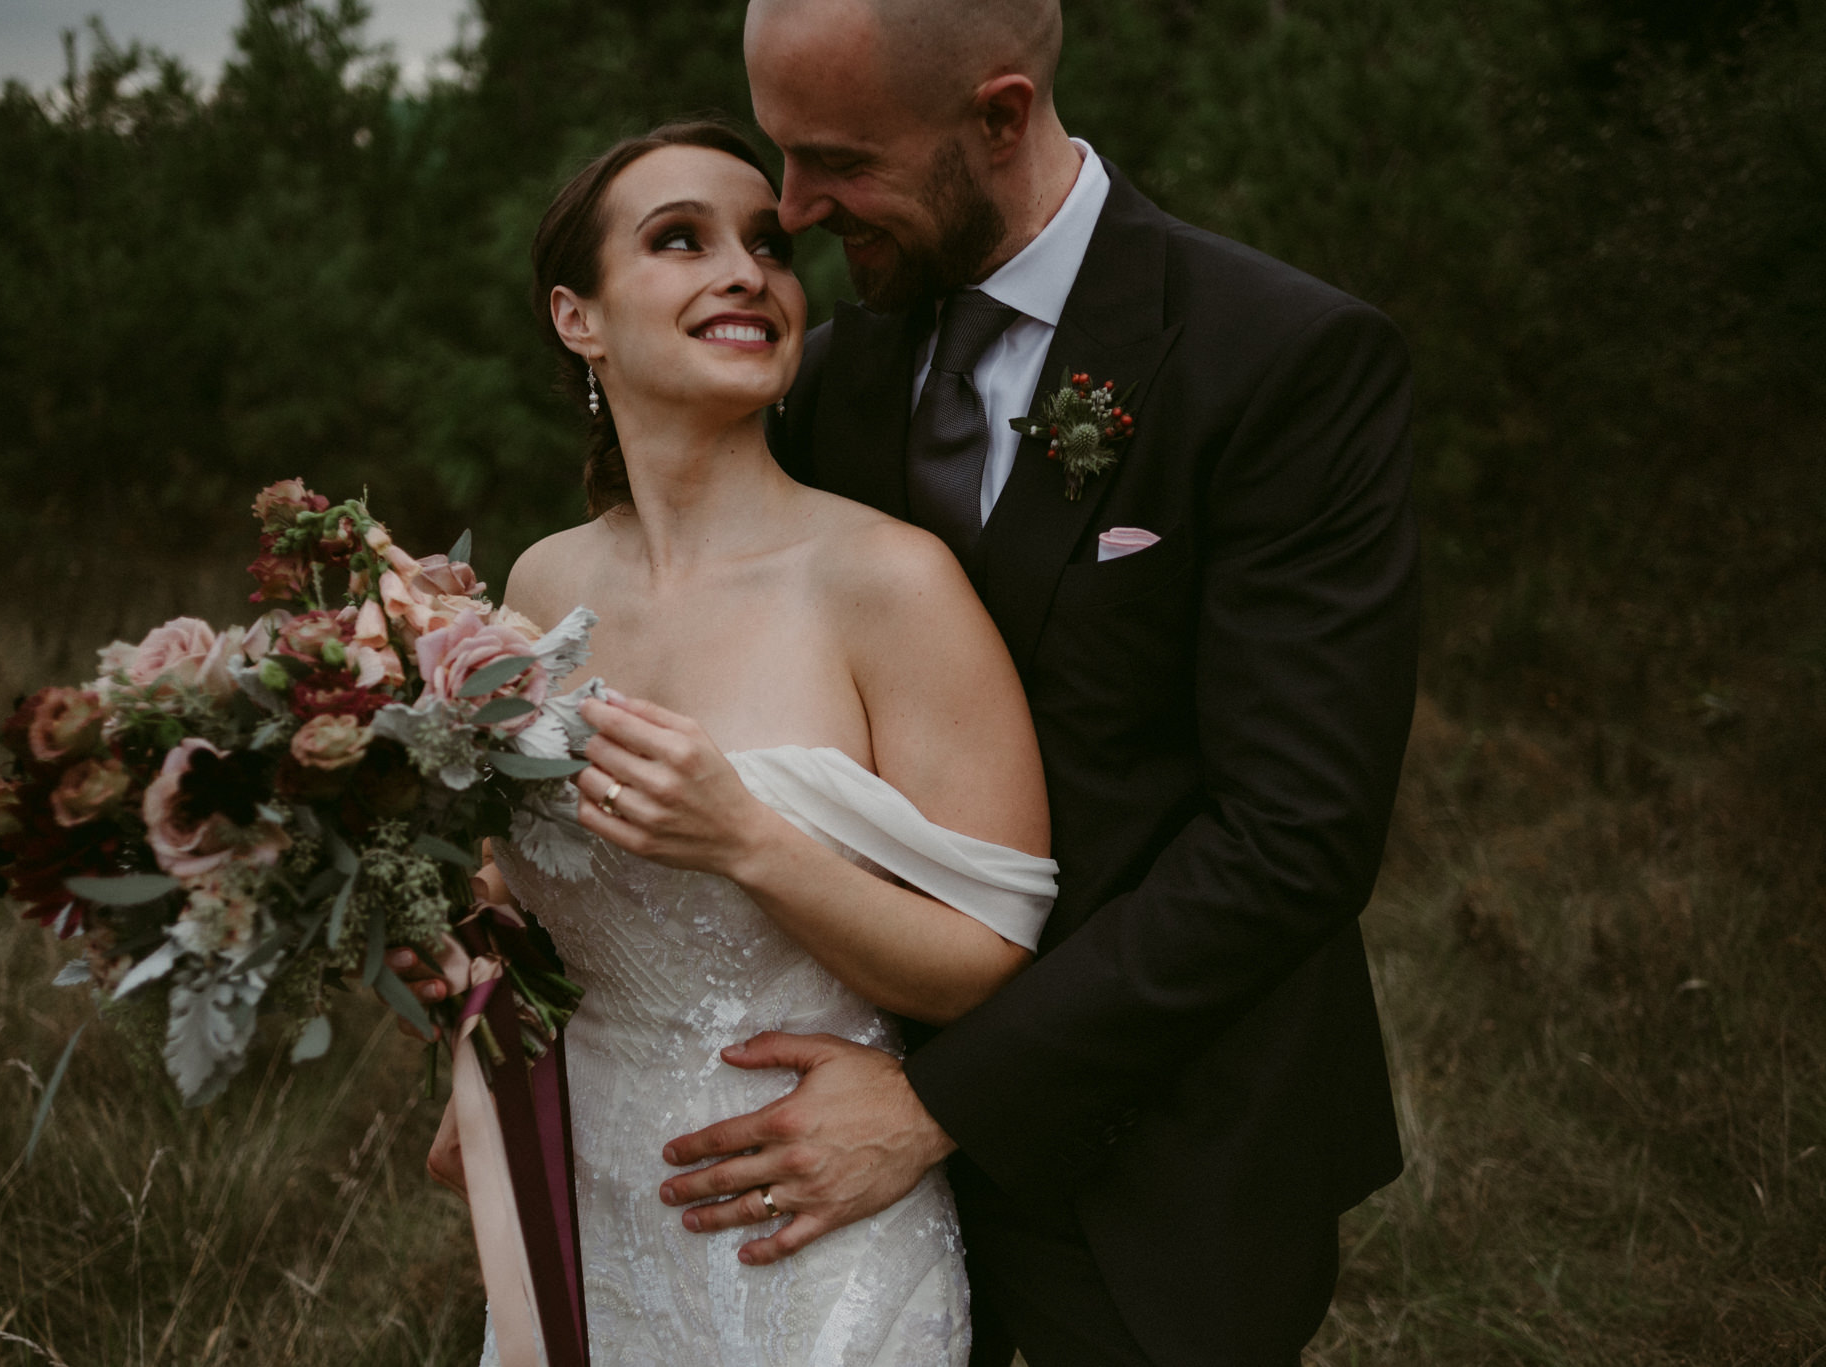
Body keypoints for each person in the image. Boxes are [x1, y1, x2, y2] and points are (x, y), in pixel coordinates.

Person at [644, 2, 1423, 1364]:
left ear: (998, 117)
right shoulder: (831, 381)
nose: (796, 207)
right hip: (843, 1156)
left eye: (838, 159)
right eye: (780, 153)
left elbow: (1293, 837)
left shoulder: (1283, 361)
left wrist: (943, 1101)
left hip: (1165, 1157)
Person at [399, 119, 1060, 1366]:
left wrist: (749, 840)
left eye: (766, 244)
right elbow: (520, 897)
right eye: (679, 239)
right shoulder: (536, 588)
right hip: (576, 1223)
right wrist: (463, 996)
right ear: (574, 316)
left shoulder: (888, 579)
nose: (748, 270)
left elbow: (987, 961)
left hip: (812, 1240)